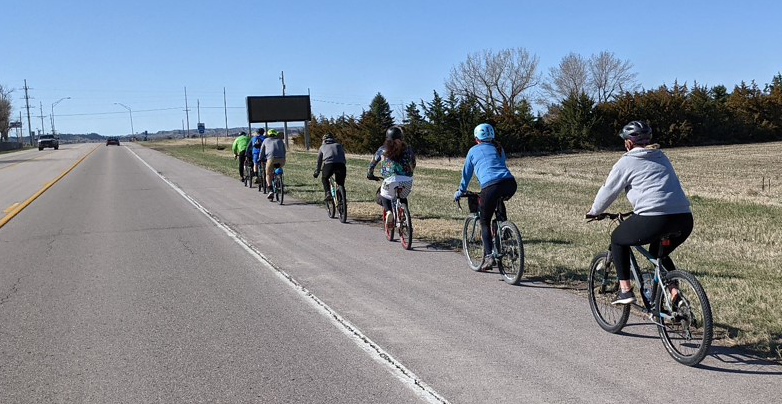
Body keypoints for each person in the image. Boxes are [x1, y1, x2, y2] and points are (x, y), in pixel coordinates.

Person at [585, 120, 693, 305]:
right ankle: (674, 292)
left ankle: (626, 291)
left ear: (628, 143)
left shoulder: (626, 161)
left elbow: (608, 190)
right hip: (684, 218)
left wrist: (595, 211)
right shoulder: (661, 156)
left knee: (618, 239)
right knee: (659, 253)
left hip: (654, 219)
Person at [453, 123, 517, 271]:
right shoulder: (499, 148)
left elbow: (466, 175)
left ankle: (489, 256)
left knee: (484, 221)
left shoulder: (473, 151)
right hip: (510, 183)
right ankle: (503, 226)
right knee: (498, 199)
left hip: (490, 186)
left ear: (476, 138)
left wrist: (460, 191)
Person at [367, 126, 416, 227]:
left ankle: (389, 212)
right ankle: (404, 215)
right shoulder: (408, 149)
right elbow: (413, 163)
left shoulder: (382, 150)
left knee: (383, 195)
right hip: (407, 181)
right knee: (402, 196)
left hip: (390, 180)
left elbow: (372, 163)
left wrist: (370, 175)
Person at [313, 133, 347, 201]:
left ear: (324, 140)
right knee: (340, 183)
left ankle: (328, 193)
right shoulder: (338, 145)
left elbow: (319, 161)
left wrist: (317, 171)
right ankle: (342, 198)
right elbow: (343, 158)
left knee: (325, 178)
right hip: (341, 165)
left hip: (329, 165)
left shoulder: (322, 147)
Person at [260, 129, 286, 200]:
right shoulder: (280, 140)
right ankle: (279, 180)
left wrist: (260, 158)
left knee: (268, 174)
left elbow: (262, 151)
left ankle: (270, 189)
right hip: (282, 159)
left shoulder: (266, 140)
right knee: (279, 168)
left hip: (271, 159)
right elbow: (284, 151)